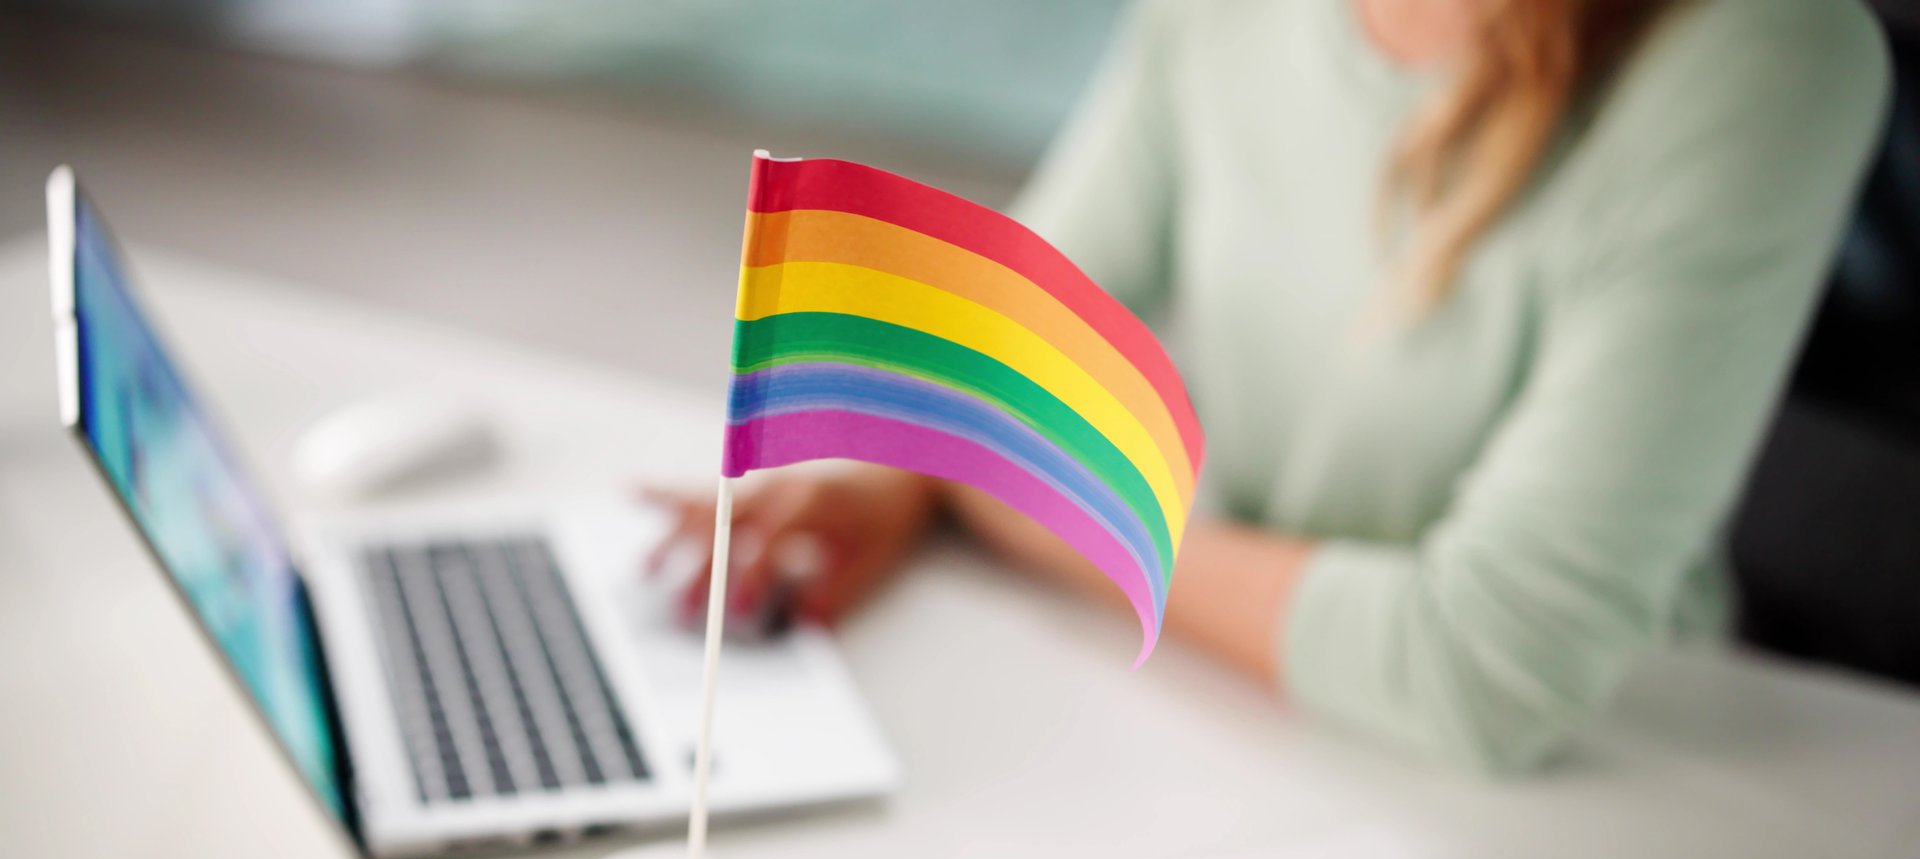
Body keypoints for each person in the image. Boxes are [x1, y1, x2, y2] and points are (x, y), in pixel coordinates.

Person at [649, 0, 1892, 773]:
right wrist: (891, 477)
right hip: (1244, 704)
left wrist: (1016, 501)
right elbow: (1005, 341)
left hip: (1630, 773)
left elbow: (1488, 664)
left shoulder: (1772, 50)